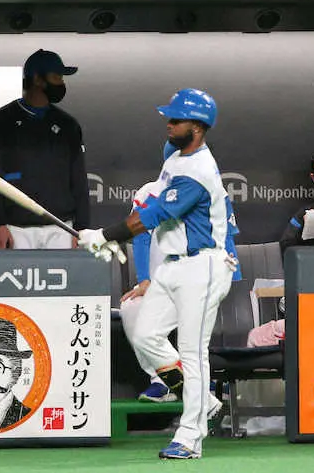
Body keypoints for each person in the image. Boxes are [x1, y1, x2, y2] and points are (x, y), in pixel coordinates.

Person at [78, 88, 235, 459]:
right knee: (146, 335)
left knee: (193, 353)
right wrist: (112, 237)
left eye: (176, 120)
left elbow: (154, 216)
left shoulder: (198, 171)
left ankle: (190, 438)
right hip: (173, 264)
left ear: (198, 127)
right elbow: (148, 205)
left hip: (202, 266)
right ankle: (204, 401)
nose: (168, 124)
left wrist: (104, 235)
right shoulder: (176, 157)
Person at [120, 169, 242, 403]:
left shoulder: (216, 192)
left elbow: (226, 236)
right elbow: (141, 236)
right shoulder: (151, 192)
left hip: (201, 280)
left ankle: (204, 382)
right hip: (159, 283)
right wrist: (144, 280)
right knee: (131, 308)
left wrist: (226, 278)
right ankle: (162, 380)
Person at [0, 50, 87, 249]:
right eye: (56, 77)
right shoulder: (0, 122)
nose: (61, 84)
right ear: (37, 79)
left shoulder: (68, 125)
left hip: (61, 228)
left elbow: (79, 180)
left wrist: (82, 228)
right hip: (15, 228)